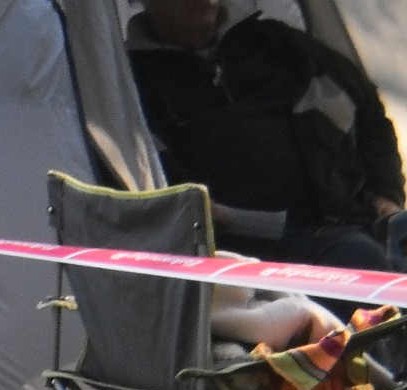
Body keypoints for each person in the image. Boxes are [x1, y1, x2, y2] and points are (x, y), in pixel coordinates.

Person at [127, 0, 405, 294]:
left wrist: (385, 196)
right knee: (362, 264)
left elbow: (368, 110)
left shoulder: (277, 44)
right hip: (235, 252)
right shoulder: (134, 81)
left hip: (335, 221)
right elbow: (151, 190)